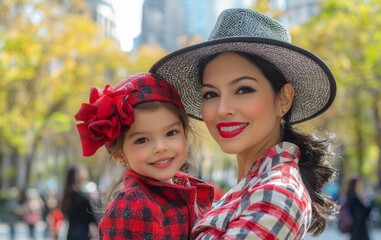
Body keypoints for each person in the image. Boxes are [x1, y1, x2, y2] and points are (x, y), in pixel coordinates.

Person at [150, 8, 338, 239]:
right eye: (210, 94)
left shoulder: (277, 194)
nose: (222, 109)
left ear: (284, 99)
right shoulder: (250, 188)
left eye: (243, 89)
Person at [74, 72, 214, 239]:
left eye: (171, 133)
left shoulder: (189, 188)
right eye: (142, 140)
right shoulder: (134, 205)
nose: (160, 147)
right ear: (120, 154)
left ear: (185, 133)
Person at [61, 165, 98, 240]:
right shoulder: (83, 198)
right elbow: (92, 218)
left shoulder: (66, 198)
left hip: (70, 234)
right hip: (82, 234)